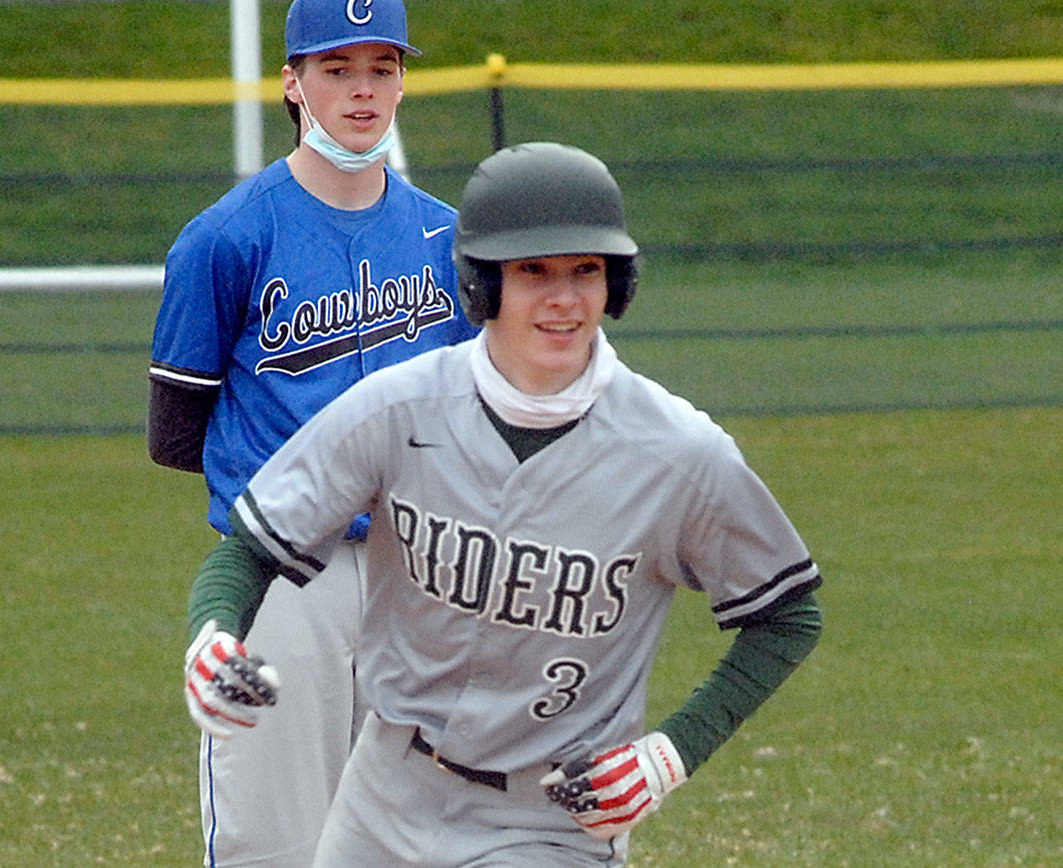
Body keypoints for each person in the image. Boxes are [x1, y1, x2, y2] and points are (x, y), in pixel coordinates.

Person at [181, 142, 824, 867]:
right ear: (483, 286)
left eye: (587, 270)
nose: (564, 298)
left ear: (618, 284)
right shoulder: (400, 407)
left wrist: (669, 756)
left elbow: (787, 614)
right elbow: (252, 548)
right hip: (383, 794)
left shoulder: (677, 453)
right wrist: (213, 637)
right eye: (533, 272)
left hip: (549, 822)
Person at [148, 0, 476, 864]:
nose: (363, 92)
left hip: (422, 572)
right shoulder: (226, 237)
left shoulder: (449, 238)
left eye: (382, 68)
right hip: (288, 577)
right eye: (337, 69)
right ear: (292, 83)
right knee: (278, 836)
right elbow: (177, 434)